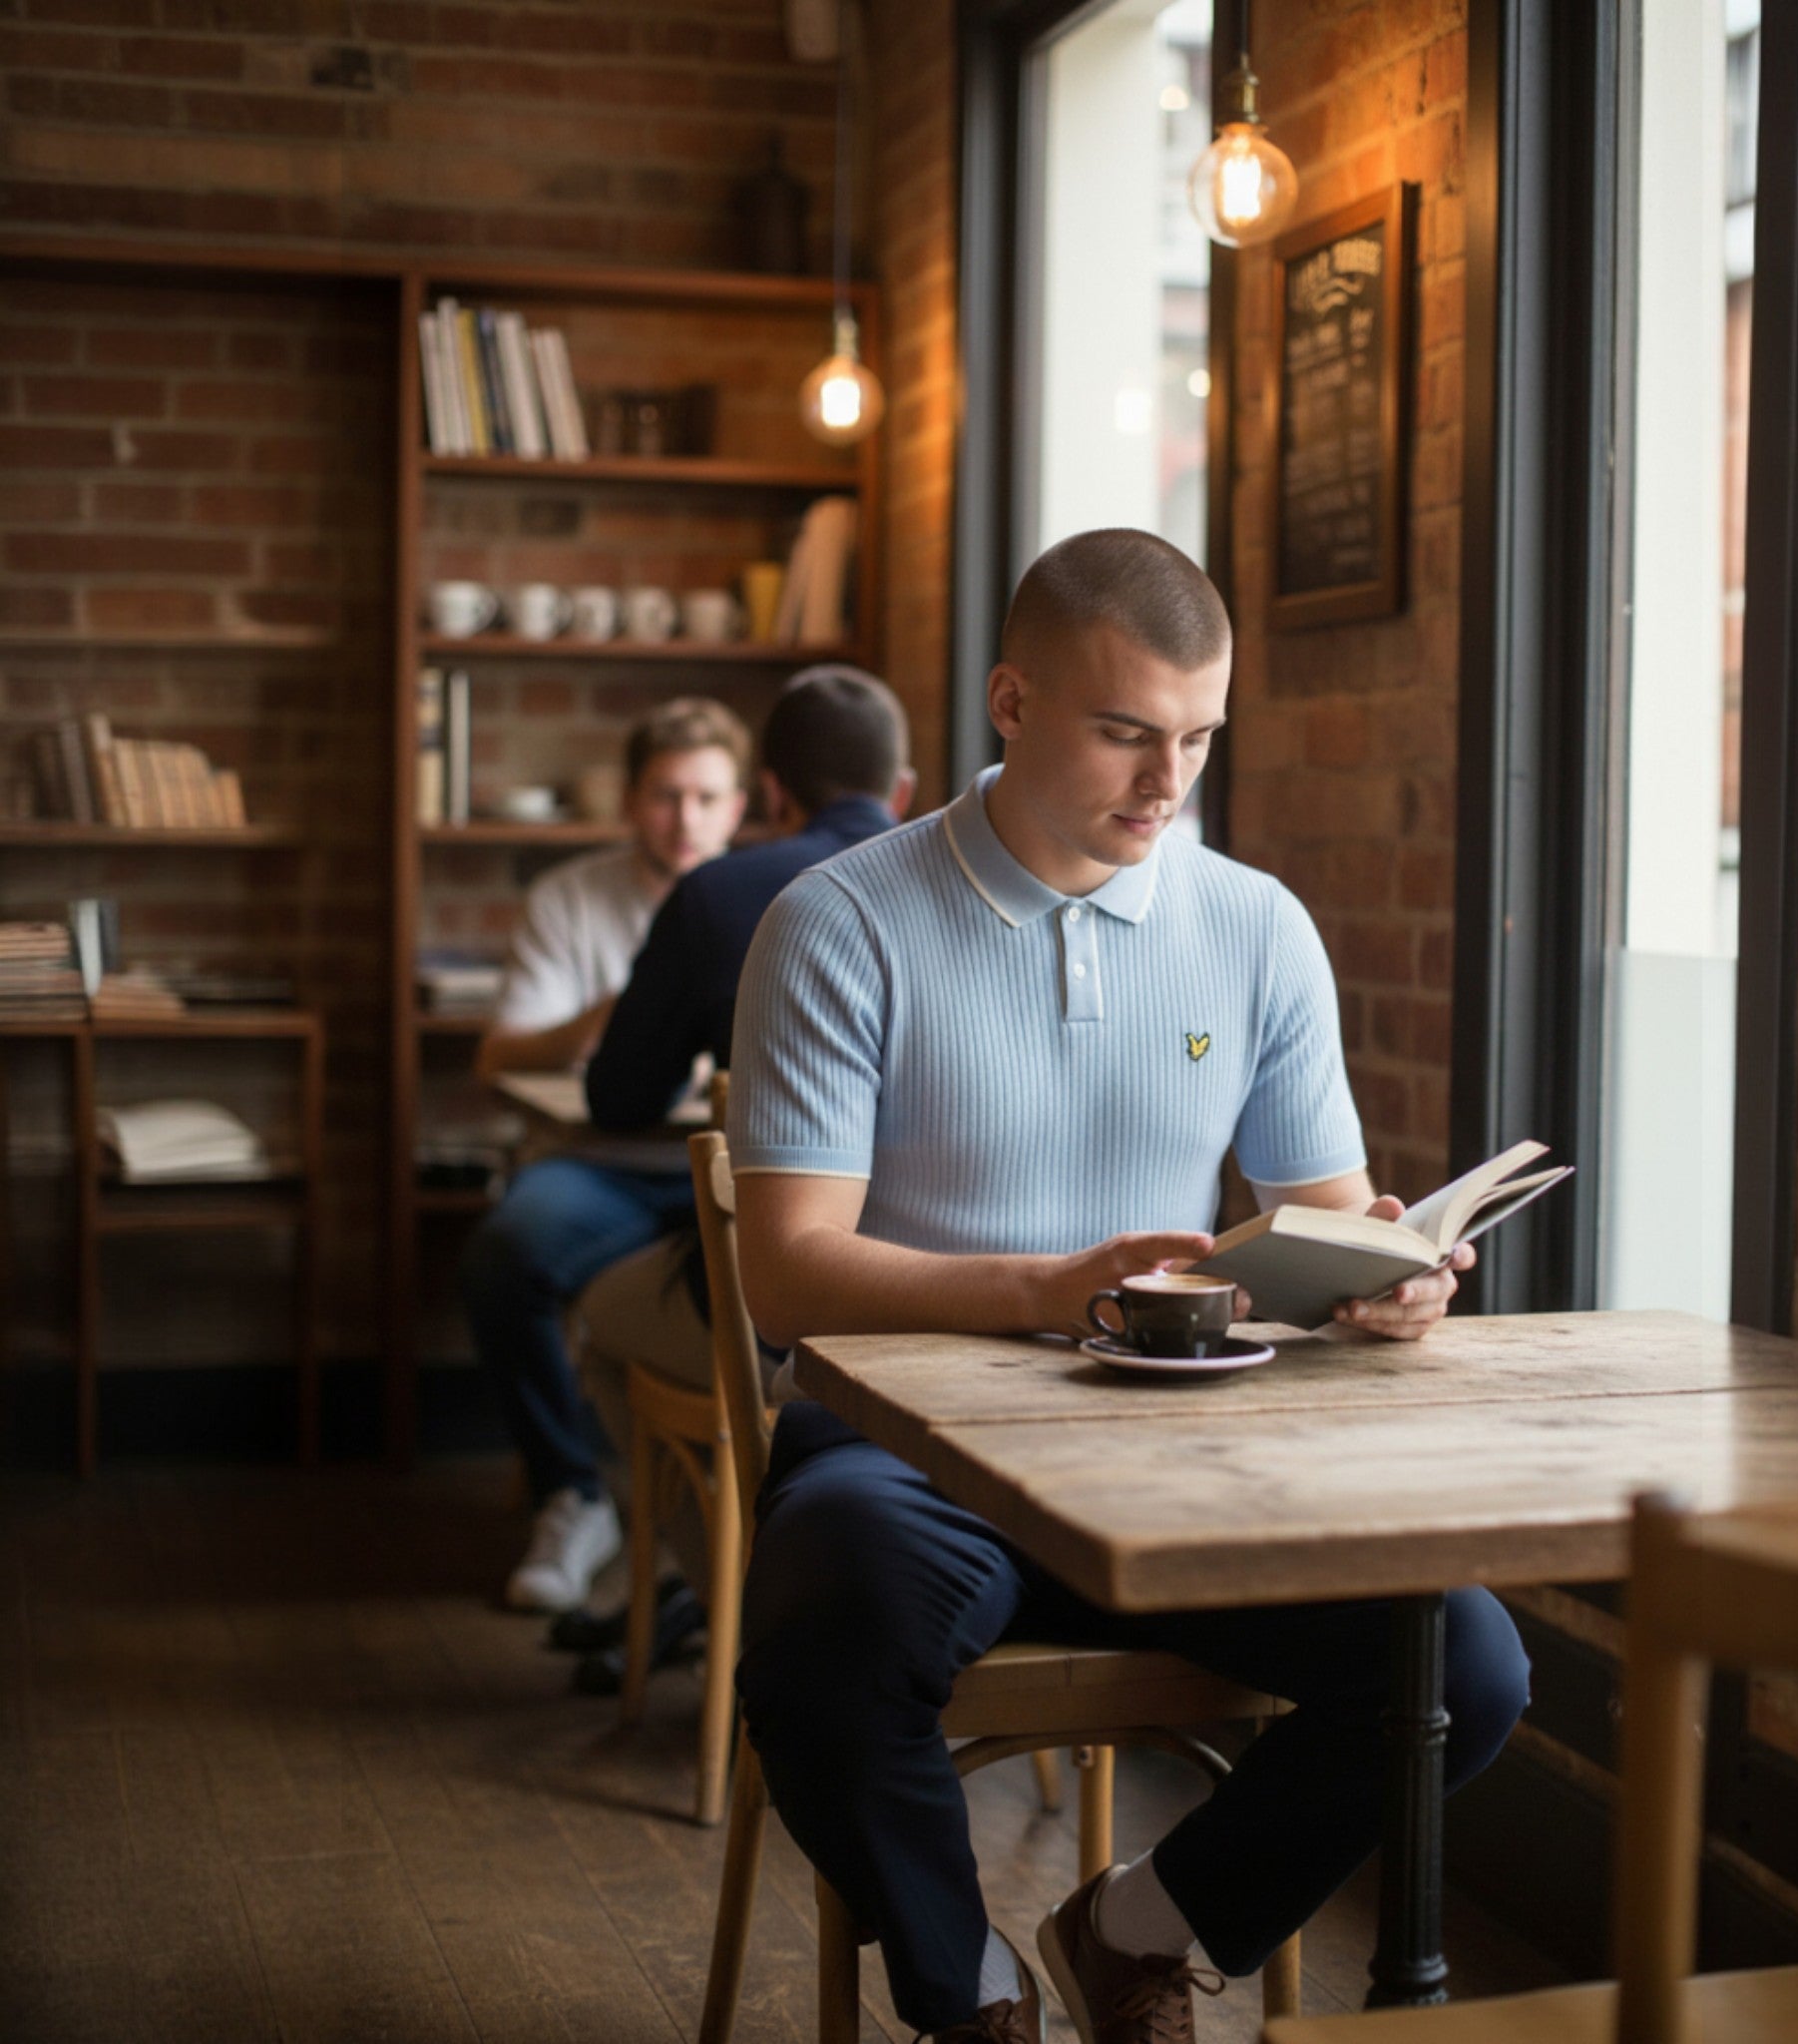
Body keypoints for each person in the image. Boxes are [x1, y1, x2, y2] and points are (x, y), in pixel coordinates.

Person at [725, 530, 1531, 2044]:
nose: (1169, 783)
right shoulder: (839, 921)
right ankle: (970, 2001)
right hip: (905, 1451)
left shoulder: (1254, 926)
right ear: (1011, 701)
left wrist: (1384, 1278)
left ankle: (1137, 1929)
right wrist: (1054, 1286)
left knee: (1466, 1667)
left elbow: (1323, 1210)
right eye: (1127, 732)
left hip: (1182, 1450)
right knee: (822, 1649)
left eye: (1200, 738)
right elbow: (785, 1277)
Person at [562, 666, 916, 1686]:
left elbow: (619, 1094)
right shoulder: (951, 888)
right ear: (902, 788)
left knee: (602, 1317)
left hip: (786, 1301)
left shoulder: (722, 891)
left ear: (766, 793)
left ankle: (726, 1596)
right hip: (957, 1293)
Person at [462, 697, 750, 1614]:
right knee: (507, 1253)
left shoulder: (766, 900)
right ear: (630, 802)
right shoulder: (571, 899)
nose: (686, 819)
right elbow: (497, 1055)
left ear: (741, 806)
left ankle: (758, 1536)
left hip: (737, 1170)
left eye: (707, 797)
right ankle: (571, 1494)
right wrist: (623, 1020)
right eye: (666, 796)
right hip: (605, 1164)